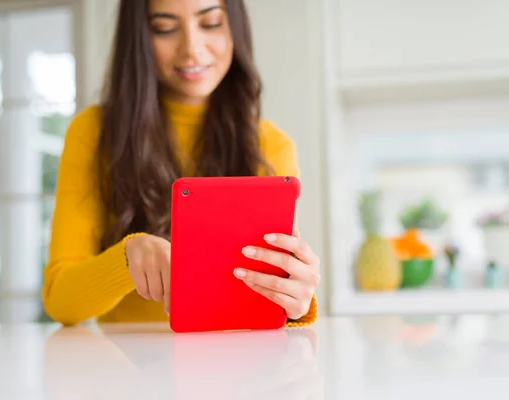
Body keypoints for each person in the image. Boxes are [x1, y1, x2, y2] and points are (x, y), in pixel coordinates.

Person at [41, 0, 321, 327]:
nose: (191, 49)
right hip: (127, 372)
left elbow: (268, 294)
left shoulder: (271, 144)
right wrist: (127, 257)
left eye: (211, 23)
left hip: (239, 369)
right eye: (165, 28)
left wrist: (295, 303)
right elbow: (60, 300)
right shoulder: (94, 132)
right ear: (140, 39)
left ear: (234, 28)